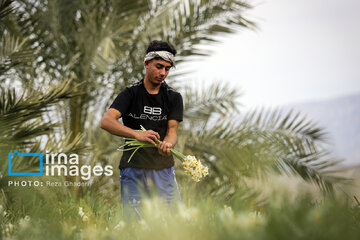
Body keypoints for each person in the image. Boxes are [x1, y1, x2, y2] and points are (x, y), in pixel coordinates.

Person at [100, 40, 183, 219]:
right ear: (147, 64)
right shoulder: (130, 94)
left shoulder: (174, 98)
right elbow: (107, 121)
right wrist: (138, 134)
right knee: (135, 224)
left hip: (163, 169)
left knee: (173, 222)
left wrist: (167, 144)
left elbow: (172, 132)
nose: (163, 73)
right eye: (159, 66)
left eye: (167, 69)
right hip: (133, 168)